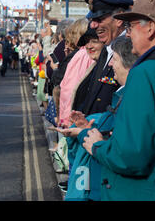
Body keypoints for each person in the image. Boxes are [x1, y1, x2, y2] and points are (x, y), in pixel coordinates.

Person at [82, 0, 155, 200]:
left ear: (150, 28)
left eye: (131, 27)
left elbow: (131, 154)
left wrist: (98, 146)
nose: (127, 34)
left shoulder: (145, 73)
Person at [54, 36, 137, 200]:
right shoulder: (123, 94)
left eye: (114, 59)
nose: (111, 64)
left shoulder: (132, 98)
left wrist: (87, 135)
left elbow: (126, 154)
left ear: (129, 63)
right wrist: (85, 127)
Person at [77, 0, 133, 116]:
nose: (92, 25)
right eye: (92, 20)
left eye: (99, 19)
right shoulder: (106, 49)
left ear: (118, 19)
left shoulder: (130, 50)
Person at [58, 19, 94, 128]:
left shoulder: (82, 54)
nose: (72, 38)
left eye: (74, 33)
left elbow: (69, 88)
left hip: (73, 117)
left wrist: (65, 117)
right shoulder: (85, 54)